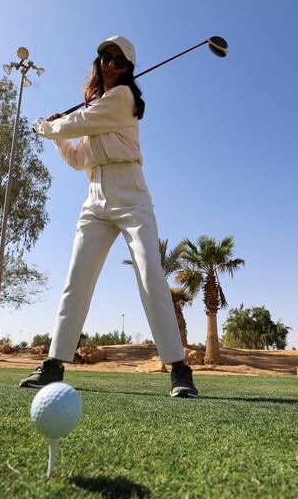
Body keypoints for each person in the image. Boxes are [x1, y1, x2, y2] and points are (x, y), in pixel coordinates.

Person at [19, 35, 198, 398]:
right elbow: (78, 158)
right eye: (105, 57)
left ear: (129, 70)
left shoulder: (122, 99)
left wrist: (47, 126)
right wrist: (57, 137)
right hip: (96, 200)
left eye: (118, 61)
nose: (109, 65)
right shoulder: (96, 111)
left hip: (132, 197)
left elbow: (79, 123)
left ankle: (179, 369)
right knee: (77, 278)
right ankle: (54, 364)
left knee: (150, 274)